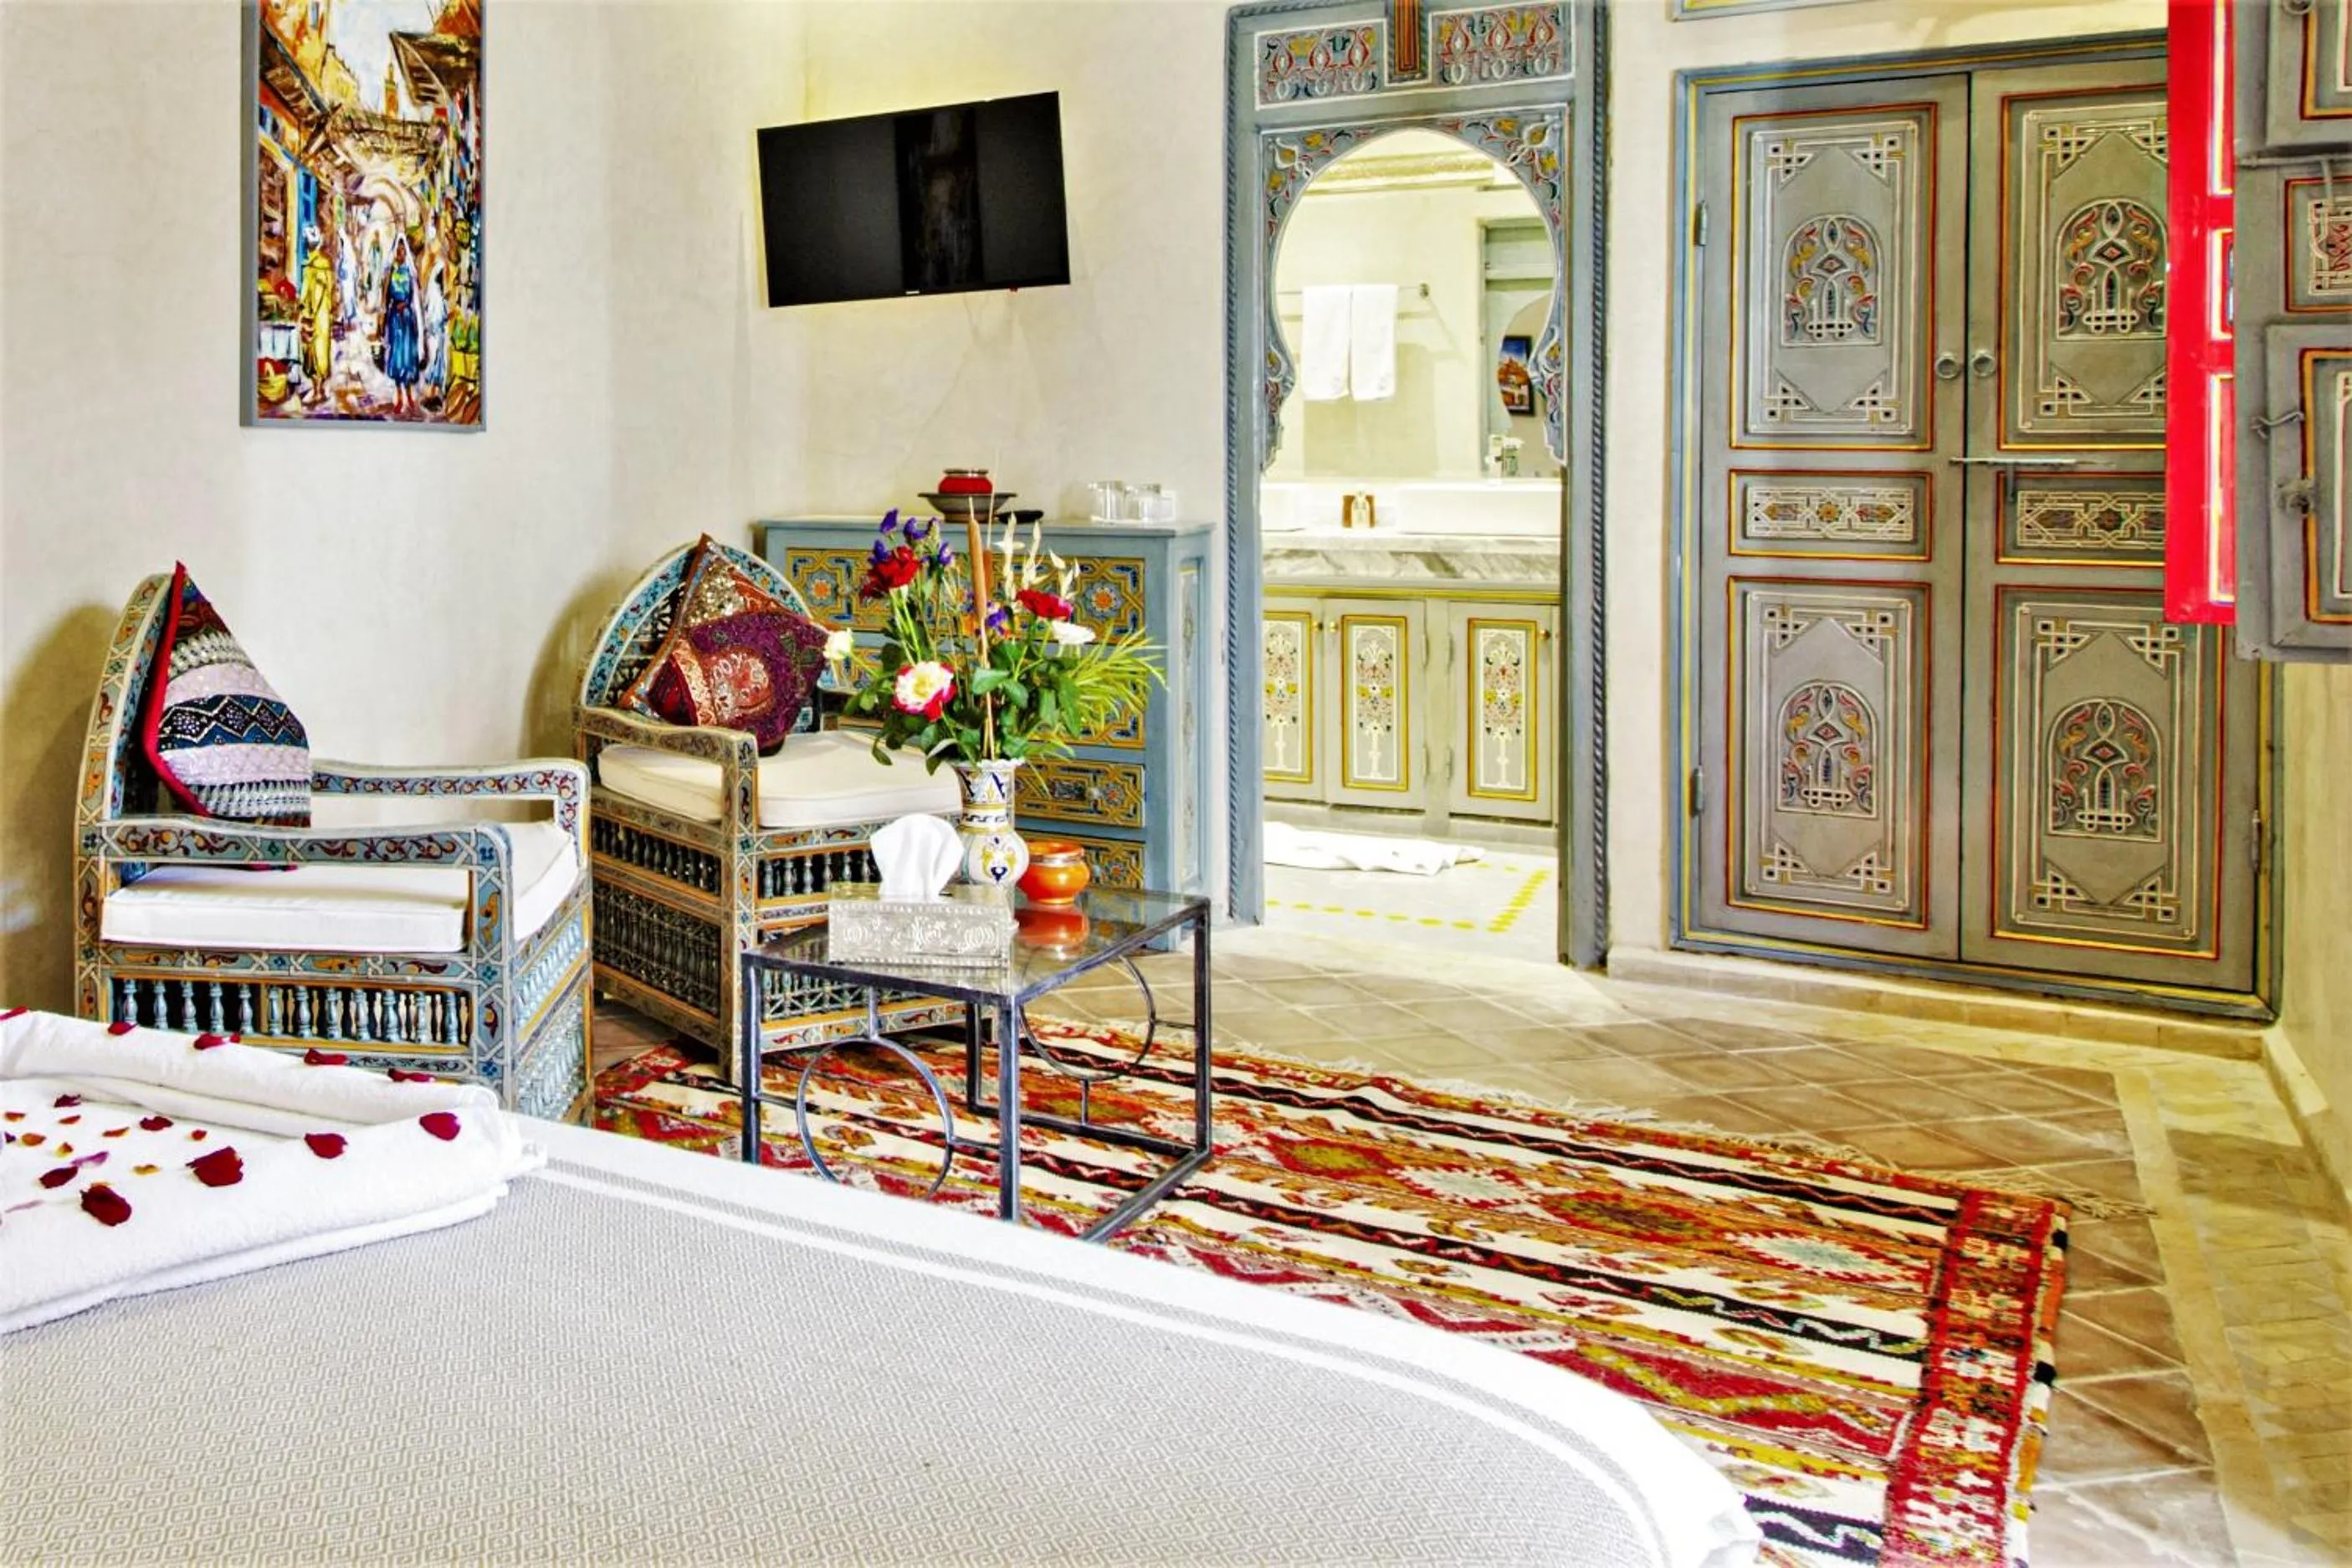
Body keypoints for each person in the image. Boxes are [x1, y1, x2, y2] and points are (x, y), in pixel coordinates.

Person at [379, 233, 422, 418]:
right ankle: (398, 396)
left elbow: (414, 295)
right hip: (395, 317)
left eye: (403, 251)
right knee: (397, 355)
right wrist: (381, 319)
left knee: (408, 355)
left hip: (407, 317)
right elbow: (384, 296)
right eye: (398, 250)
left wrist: (407, 305)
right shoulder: (390, 272)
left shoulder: (410, 273)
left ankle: (410, 395)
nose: (401, 254)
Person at [298, 225, 335, 406]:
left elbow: (307, 294)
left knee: (313, 352)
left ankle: (317, 389)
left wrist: (305, 311)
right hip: (324, 316)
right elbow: (332, 292)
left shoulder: (311, 268)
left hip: (313, 315)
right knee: (322, 351)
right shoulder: (326, 266)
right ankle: (319, 388)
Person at [421, 257, 449, 407]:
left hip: (440, 334)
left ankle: (435, 394)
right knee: (432, 363)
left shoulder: (440, 296)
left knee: (439, 364)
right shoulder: (434, 296)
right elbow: (432, 318)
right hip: (434, 334)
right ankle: (429, 396)